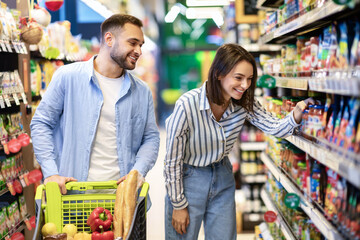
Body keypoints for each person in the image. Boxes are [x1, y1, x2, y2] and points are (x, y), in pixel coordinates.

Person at [164, 43, 314, 239]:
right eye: (238, 78)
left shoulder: (244, 102)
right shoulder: (187, 105)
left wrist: (296, 114)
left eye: (250, 79)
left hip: (223, 176)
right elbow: (172, 159)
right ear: (218, 73)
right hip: (189, 178)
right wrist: (178, 203)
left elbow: (274, 127)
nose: (245, 85)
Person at [30, 14, 160, 195]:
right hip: (73, 195)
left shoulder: (141, 91)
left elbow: (151, 137)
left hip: (123, 198)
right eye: (132, 43)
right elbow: (41, 123)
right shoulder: (68, 77)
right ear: (109, 39)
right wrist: (51, 173)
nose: (138, 51)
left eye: (141, 45)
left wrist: (139, 170)